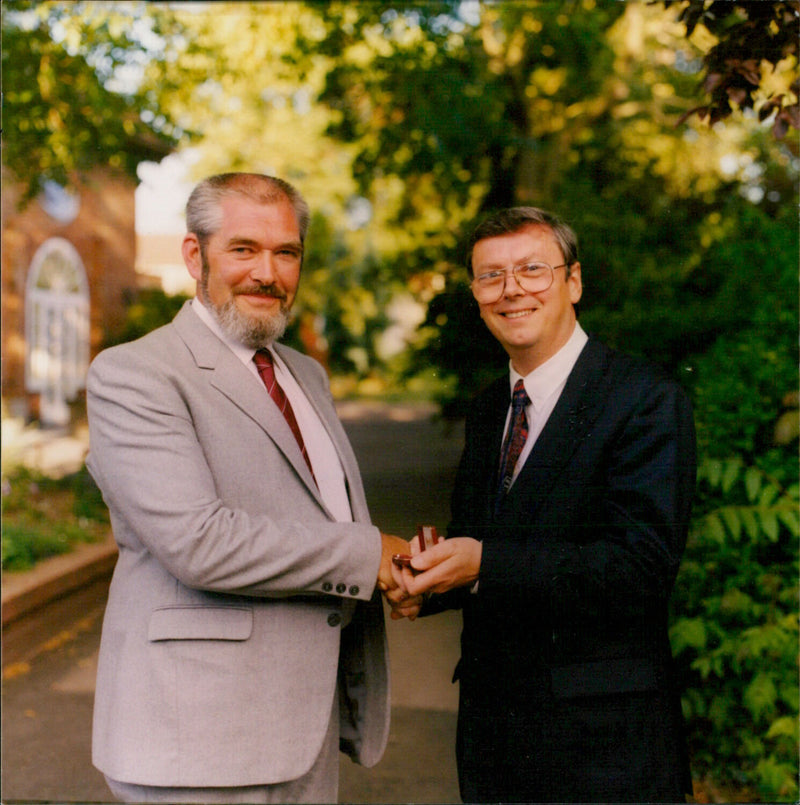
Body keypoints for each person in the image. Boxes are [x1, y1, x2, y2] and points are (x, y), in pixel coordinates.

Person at [86, 172, 412, 804]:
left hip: (303, 732)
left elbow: (321, 516)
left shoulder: (305, 374)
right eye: (243, 250)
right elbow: (198, 542)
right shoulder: (135, 373)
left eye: (286, 252)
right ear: (194, 256)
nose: (268, 272)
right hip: (198, 742)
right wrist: (371, 557)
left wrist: (396, 574)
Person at [395, 207, 696, 803]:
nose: (511, 291)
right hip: (493, 741)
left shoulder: (644, 400)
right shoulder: (490, 409)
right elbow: (482, 537)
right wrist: (430, 585)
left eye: (533, 269)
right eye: (491, 276)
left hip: (602, 749)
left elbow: (639, 569)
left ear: (573, 281)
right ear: (476, 293)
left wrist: (483, 565)